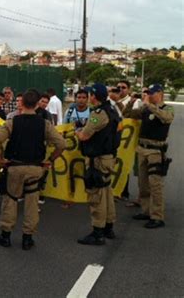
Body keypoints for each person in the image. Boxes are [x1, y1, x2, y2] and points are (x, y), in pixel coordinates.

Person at [0, 89, 66, 250]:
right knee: (31, 204)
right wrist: (49, 160)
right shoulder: (45, 125)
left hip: (14, 167)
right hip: (36, 168)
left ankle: (6, 236)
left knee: (10, 200)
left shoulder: (12, 122)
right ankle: (27, 238)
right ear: (38, 104)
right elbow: (61, 144)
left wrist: (0, 160)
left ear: (21, 103)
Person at [123, 84, 174, 229]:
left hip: (156, 151)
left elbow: (166, 118)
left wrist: (149, 105)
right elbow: (127, 114)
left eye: (151, 93)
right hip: (142, 149)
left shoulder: (167, 108)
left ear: (160, 93)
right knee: (143, 184)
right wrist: (131, 102)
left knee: (155, 185)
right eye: (147, 93)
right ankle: (146, 211)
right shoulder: (145, 109)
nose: (149, 95)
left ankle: (157, 216)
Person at [75, 83, 120, 245]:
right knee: (107, 192)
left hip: (98, 160)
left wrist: (78, 132)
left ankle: (98, 231)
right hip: (108, 157)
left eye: (89, 95)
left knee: (97, 195)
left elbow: (85, 136)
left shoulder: (98, 114)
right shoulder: (112, 111)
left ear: (93, 96)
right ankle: (108, 227)